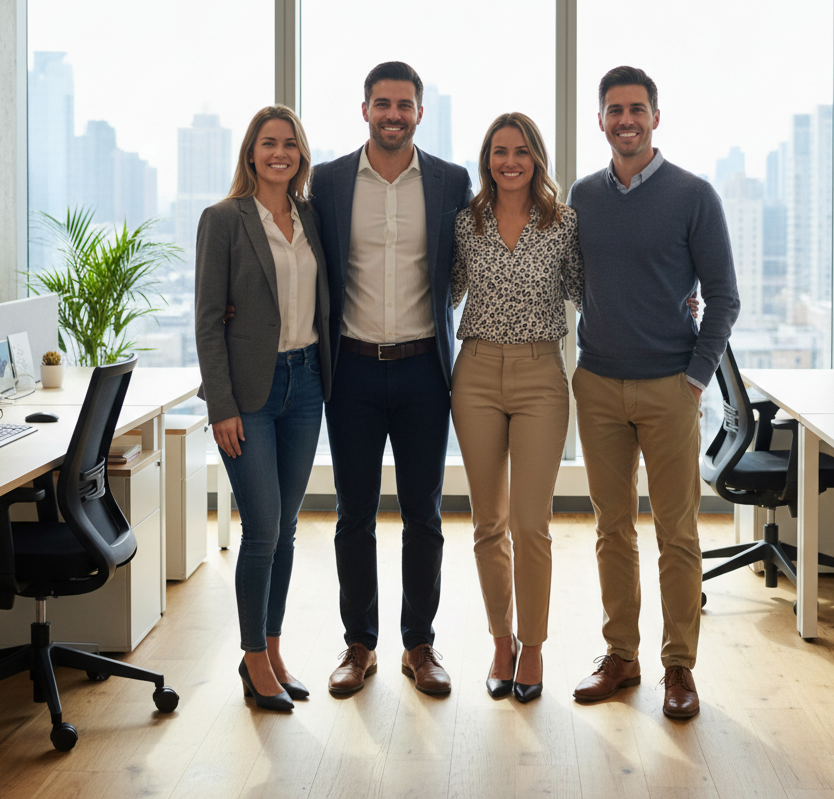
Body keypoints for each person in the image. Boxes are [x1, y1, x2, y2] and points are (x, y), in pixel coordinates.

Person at [567, 65, 739, 720]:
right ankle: (622, 656)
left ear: (655, 118)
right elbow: (571, 279)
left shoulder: (694, 196)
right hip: (598, 384)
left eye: (636, 109)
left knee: (677, 533)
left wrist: (695, 377)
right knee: (612, 529)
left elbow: (723, 296)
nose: (626, 120)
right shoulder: (583, 196)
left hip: (671, 387)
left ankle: (679, 666)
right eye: (615, 110)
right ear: (601, 121)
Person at [311, 61, 472, 696]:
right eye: (383, 104)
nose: (393, 115)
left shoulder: (450, 181)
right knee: (353, 514)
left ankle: (419, 644)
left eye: (404, 105)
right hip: (350, 369)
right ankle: (359, 644)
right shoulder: (327, 181)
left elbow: (475, 257)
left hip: (424, 371)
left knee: (423, 516)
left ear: (420, 113)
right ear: (365, 110)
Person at [195, 104, 332, 712]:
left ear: (301, 155)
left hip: (305, 384)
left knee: (288, 529)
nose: (280, 153)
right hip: (248, 395)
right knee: (263, 530)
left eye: (290, 144)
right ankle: (252, 659)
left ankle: (274, 651)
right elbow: (207, 321)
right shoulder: (223, 219)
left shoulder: (311, 217)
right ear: (251, 152)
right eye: (269, 143)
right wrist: (221, 405)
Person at [449, 112, 582, 703]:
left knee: (531, 524)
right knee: (488, 522)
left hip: (540, 377)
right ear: (487, 160)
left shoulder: (563, 223)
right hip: (475, 373)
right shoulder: (466, 222)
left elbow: (591, 291)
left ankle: (533, 646)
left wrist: (678, 301)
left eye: (521, 151)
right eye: (500, 151)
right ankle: (500, 642)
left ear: (536, 159)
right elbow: (444, 291)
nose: (510, 162)